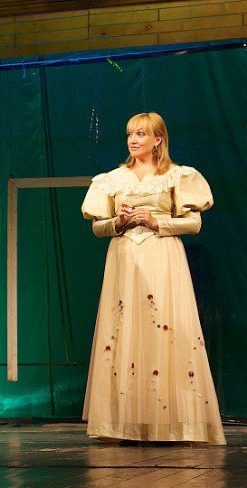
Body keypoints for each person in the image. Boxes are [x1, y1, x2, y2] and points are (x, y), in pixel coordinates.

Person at [81, 112, 226, 445]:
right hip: (124, 257)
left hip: (161, 256)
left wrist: (156, 220)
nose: (134, 140)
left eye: (142, 134)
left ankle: (170, 422)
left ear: (158, 139)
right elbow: (97, 227)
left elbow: (194, 224)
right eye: (131, 134)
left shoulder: (177, 176)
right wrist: (118, 222)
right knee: (125, 329)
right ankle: (127, 423)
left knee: (165, 327)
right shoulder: (112, 179)